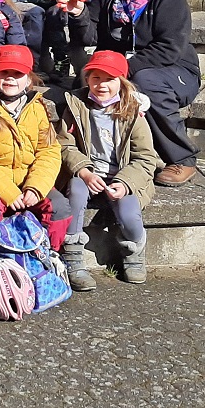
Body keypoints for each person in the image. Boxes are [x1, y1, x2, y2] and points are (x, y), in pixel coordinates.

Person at [66, 0, 202, 187]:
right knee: (82, 86)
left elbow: (170, 47)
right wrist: (78, 13)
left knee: (145, 81)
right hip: (121, 67)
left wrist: (120, 70)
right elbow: (89, 36)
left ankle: (183, 158)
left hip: (174, 69)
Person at [0, 44, 72, 253]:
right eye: (4, 72)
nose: (10, 78)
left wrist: (36, 187)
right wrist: (8, 191)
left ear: (28, 79)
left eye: (17, 73)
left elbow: (49, 152)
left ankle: (45, 256)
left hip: (29, 180)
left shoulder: (39, 108)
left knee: (60, 207)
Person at [58, 51, 156, 291]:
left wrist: (124, 182)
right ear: (87, 79)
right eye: (95, 78)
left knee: (129, 212)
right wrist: (84, 170)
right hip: (87, 173)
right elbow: (64, 144)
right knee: (76, 193)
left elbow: (146, 157)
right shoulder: (76, 105)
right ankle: (73, 256)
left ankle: (133, 251)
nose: (101, 85)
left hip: (122, 175)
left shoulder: (133, 112)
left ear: (121, 82)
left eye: (109, 79)